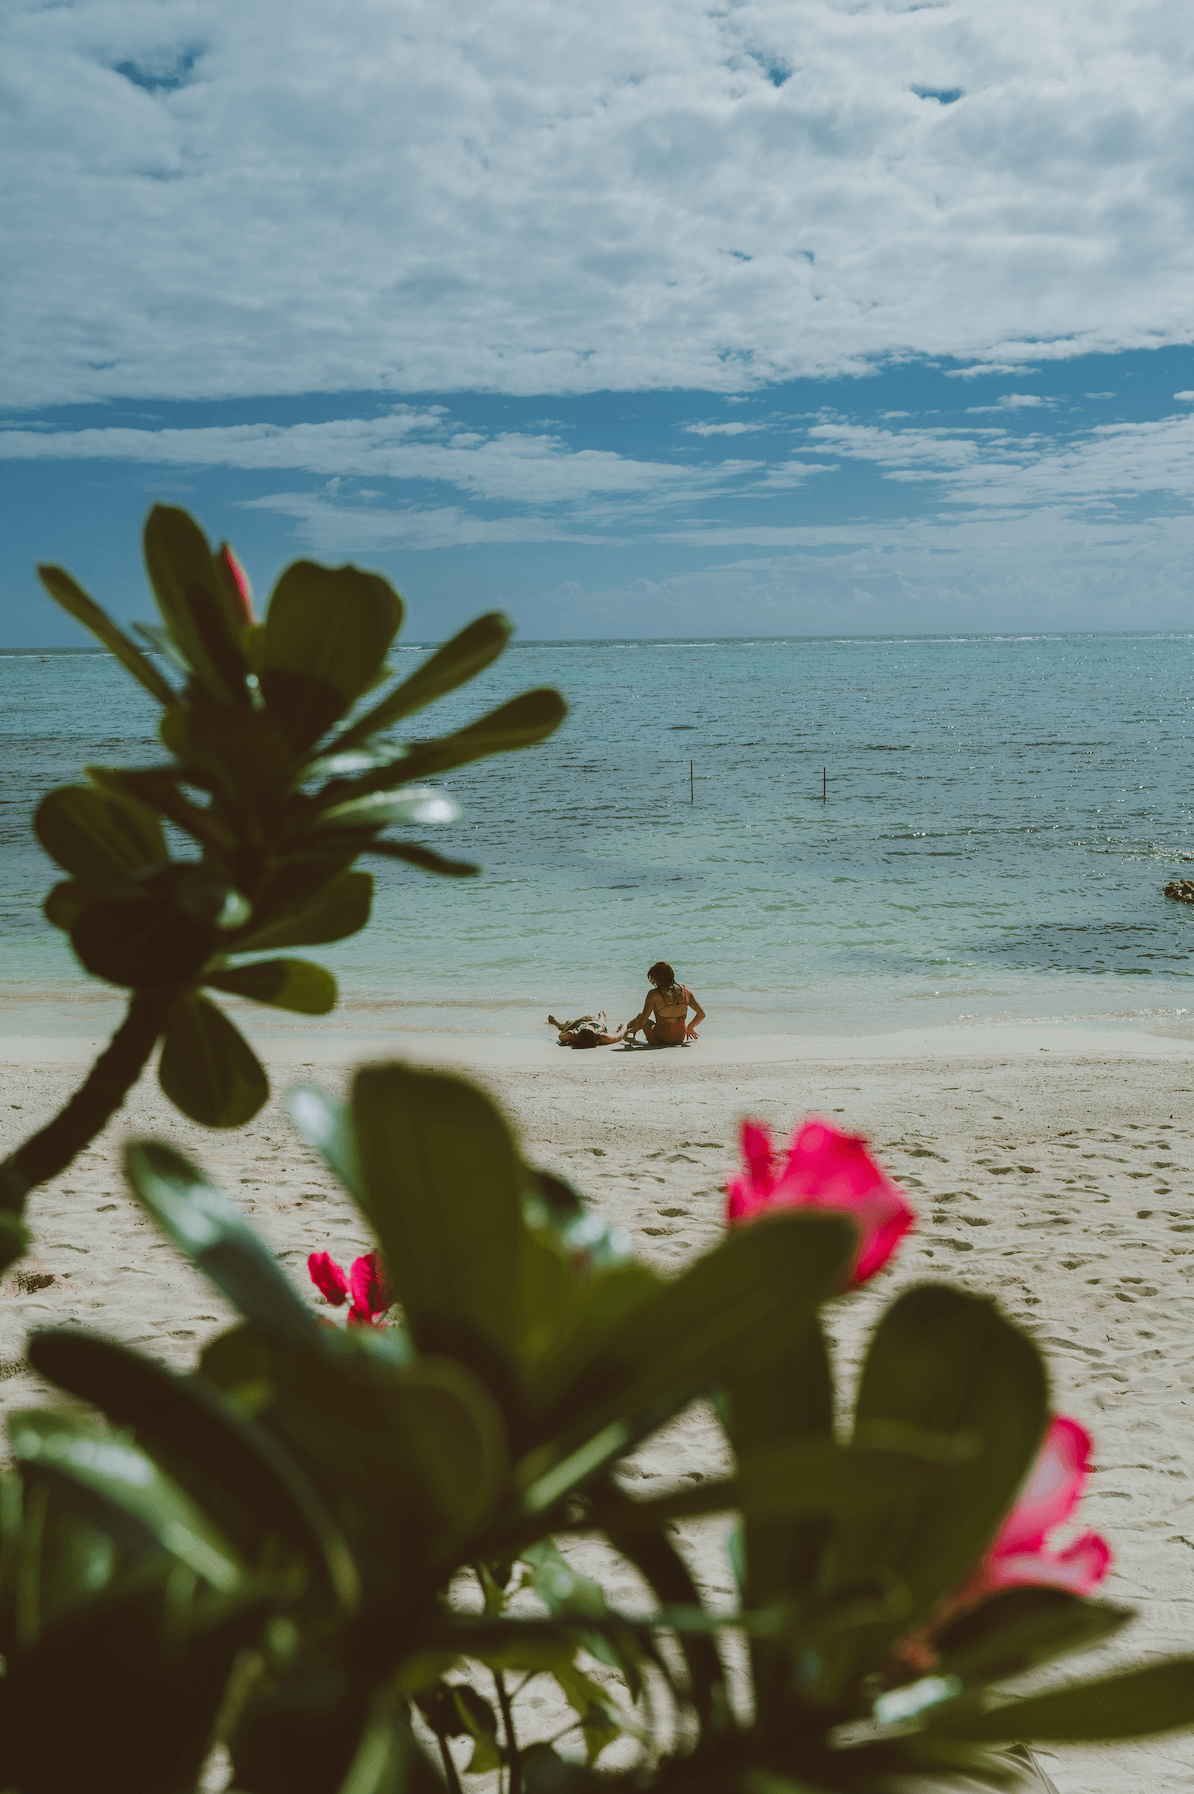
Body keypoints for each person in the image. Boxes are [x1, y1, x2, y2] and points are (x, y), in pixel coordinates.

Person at [623, 962, 705, 1047]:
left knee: (640, 1017)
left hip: (659, 1039)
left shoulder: (653, 994)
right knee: (642, 1019)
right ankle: (629, 1029)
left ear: (657, 978)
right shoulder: (686, 991)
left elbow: (642, 1022)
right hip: (679, 1038)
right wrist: (690, 1027)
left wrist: (631, 1030)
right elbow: (701, 1014)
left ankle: (627, 1031)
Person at [548, 1011, 628, 1049]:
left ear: (578, 1033)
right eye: (587, 1026)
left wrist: (579, 1021)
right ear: (595, 1033)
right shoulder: (601, 1036)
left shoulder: (572, 1035)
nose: (587, 1024)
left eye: (585, 1026)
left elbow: (561, 1035)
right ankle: (602, 1017)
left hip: (577, 1024)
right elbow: (618, 1037)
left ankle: (557, 1023)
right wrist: (624, 1027)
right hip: (598, 1024)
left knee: (567, 1023)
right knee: (600, 1022)